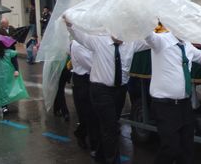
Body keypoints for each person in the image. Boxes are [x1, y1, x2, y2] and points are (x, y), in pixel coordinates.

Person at [64, 16, 149, 164]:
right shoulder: (98, 41)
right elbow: (79, 35)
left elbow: (151, 41)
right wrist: (70, 23)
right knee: (110, 128)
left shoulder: (132, 43)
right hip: (101, 90)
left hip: (120, 91)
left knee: (109, 126)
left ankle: (99, 157)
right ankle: (111, 160)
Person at [146, 23, 201, 164]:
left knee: (187, 149)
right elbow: (148, 35)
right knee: (170, 148)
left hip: (184, 104)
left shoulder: (187, 45)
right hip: (165, 106)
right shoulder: (161, 41)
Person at [70, 39, 100, 153]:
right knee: (89, 113)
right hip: (83, 80)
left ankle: (88, 136)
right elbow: (90, 64)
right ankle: (92, 144)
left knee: (92, 113)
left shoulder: (91, 40)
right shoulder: (78, 43)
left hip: (92, 78)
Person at [0, 41, 29, 114]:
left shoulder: (9, 53)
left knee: (8, 89)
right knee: (1, 90)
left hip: (8, 74)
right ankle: (4, 106)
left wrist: (16, 70)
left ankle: (5, 104)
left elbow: (14, 61)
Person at [53, 56, 71, 121]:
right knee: (60, 90)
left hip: (65, 69)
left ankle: (56, 109)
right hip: (57, 69)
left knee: (59, 89)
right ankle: (65, 112)